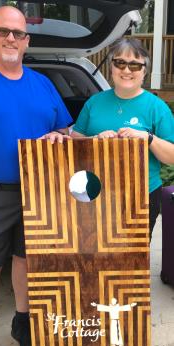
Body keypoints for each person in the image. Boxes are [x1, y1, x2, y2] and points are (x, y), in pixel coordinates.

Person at [0, 5, 72, 346]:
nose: (12, 38)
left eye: (19, 33)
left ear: (27, 41)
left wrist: (61, 136)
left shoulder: (42, 83)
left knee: (26, 261)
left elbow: (65, 130)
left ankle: (22, 321)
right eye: (4, 31)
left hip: (40, 191)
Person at [70, 37, 174, 237]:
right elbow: (73, 143)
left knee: (132, 259)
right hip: (93, 192)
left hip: (141, 194)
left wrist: (147, 137)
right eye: (120, 63)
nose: (127, 70)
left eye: (135, 65)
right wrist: (95, 140)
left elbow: (171, 156)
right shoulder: (94, 102)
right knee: (93, 252)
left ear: (144, 70)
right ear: (111, 67)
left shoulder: (156, 107)